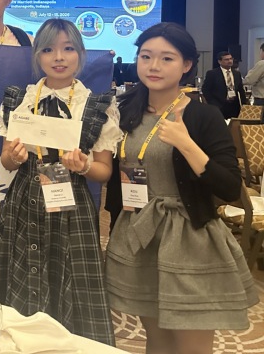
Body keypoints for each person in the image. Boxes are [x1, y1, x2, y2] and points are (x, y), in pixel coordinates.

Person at [105, 22, 257, 354]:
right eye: (146, 56)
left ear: (187, 64)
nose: (154, 66)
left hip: (190, 238)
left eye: (167, 58)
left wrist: (187, 145)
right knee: (157, 341)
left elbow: (230, 187)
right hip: (141, 234)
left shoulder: (204, 116)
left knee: (191, 346)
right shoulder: (124, 112)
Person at [0, 19, 121, 345]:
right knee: (18, 279)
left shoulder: (96, 105)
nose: (58, 57)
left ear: (80, 53)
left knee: (69, 282)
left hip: (70, 208)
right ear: (37, 56)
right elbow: (6, 159)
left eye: (68, 48)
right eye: (48, 49)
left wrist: (85, 165)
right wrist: (14, 157)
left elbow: (105, 171)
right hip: (23, 202)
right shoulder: (20, 99)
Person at [202, 50, 244, 119]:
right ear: (219, 61)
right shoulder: (212, 74)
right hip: (219, 105)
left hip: (234, 106)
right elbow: (205, 89)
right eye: (226, 59)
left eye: (231, 59)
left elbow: (241, 90)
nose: (230, 61)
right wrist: (212, 103)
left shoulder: (237, 73)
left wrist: (244, 105)